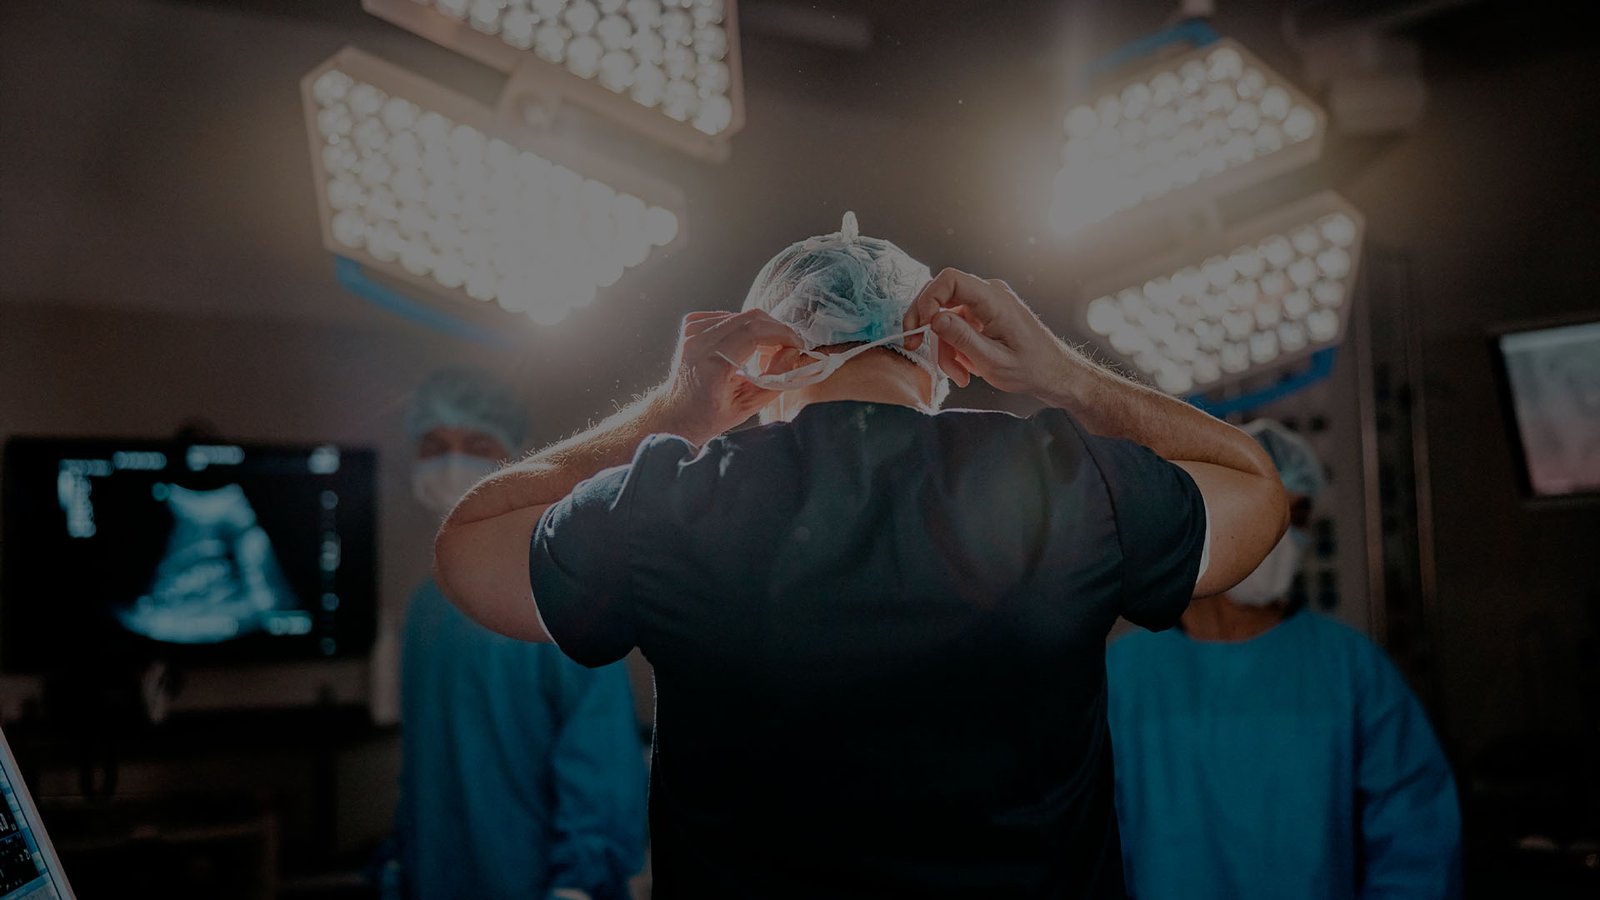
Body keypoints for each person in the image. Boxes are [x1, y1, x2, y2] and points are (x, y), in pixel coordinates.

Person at [433, 214, 1288, 897]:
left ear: (768, 362)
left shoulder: (674, 503)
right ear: (944, 353)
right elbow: (1256, 486)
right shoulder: (1060, 483)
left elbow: (468, 544)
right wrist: (1067, 377)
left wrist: (674, 413)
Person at [1106, 419, 1462, 900]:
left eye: (1298, 517)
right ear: (1205, 514)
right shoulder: (1123, 679)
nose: (1281, 535)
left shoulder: (1350, 670)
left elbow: (1417, 843)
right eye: (1266, 511)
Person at [396, 367, 646, 900]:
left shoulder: (557, 594)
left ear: (513, 461)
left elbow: (599, 764)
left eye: (477, 445)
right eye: (435, 446)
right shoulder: (426, 608)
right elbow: (427, 777)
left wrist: (578, 886)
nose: (452, 461)